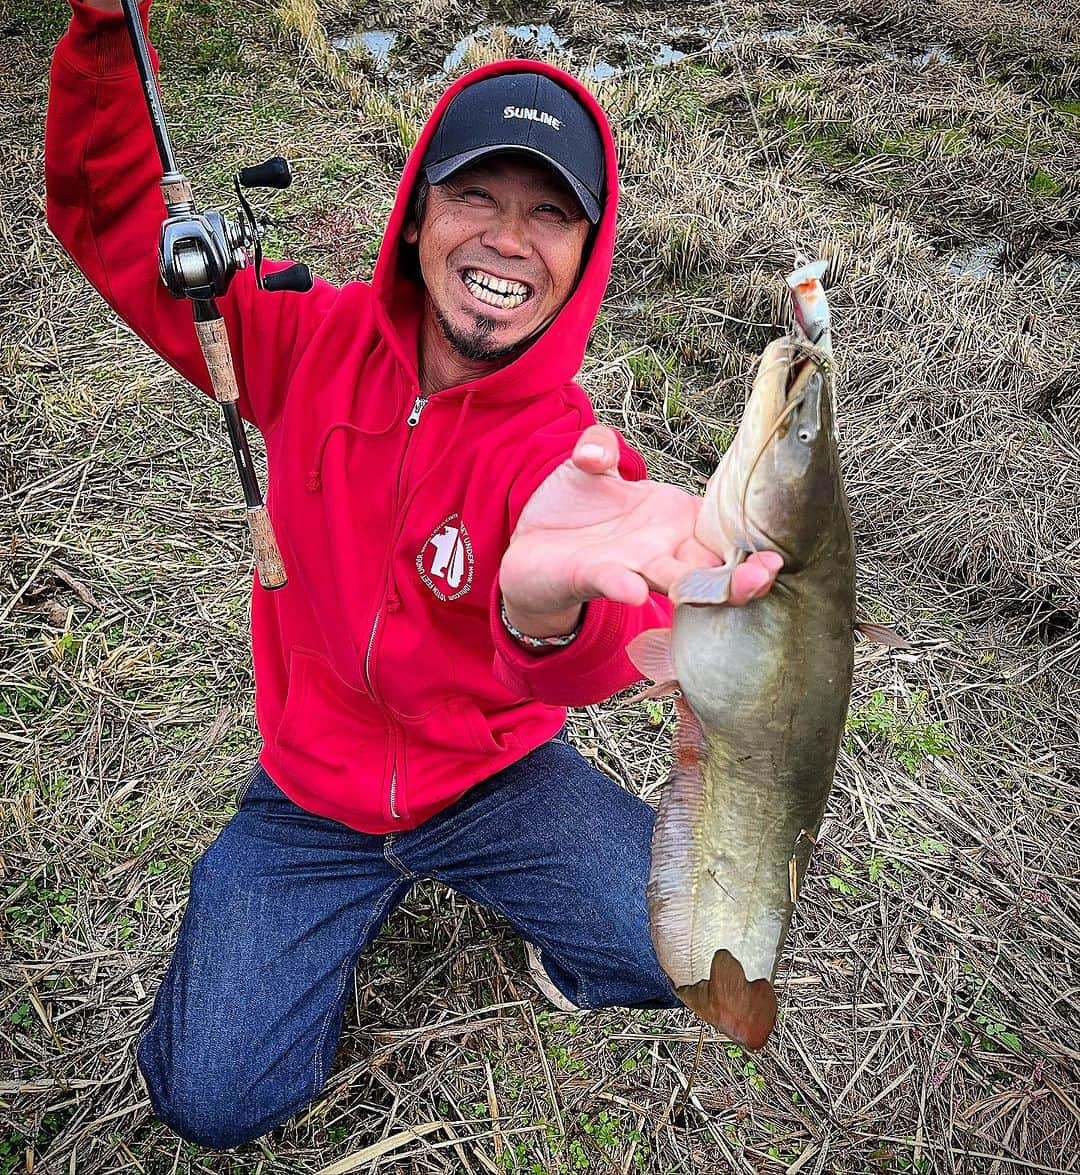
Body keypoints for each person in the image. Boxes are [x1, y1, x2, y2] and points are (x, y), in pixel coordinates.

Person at [45, 0, 782, 1150]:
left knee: (688, 954)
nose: (505, 237)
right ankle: (311, 915)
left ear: (585, 254)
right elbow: (111, 218)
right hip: (312, 787)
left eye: (549, 213)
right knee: (213, 1098)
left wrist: (541, 617)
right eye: (475, 195)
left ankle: (527, 902)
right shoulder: (296, 336)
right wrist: (103, 30)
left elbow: (592, 659)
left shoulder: (576, 461)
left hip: (489, 775)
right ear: (417, 212)